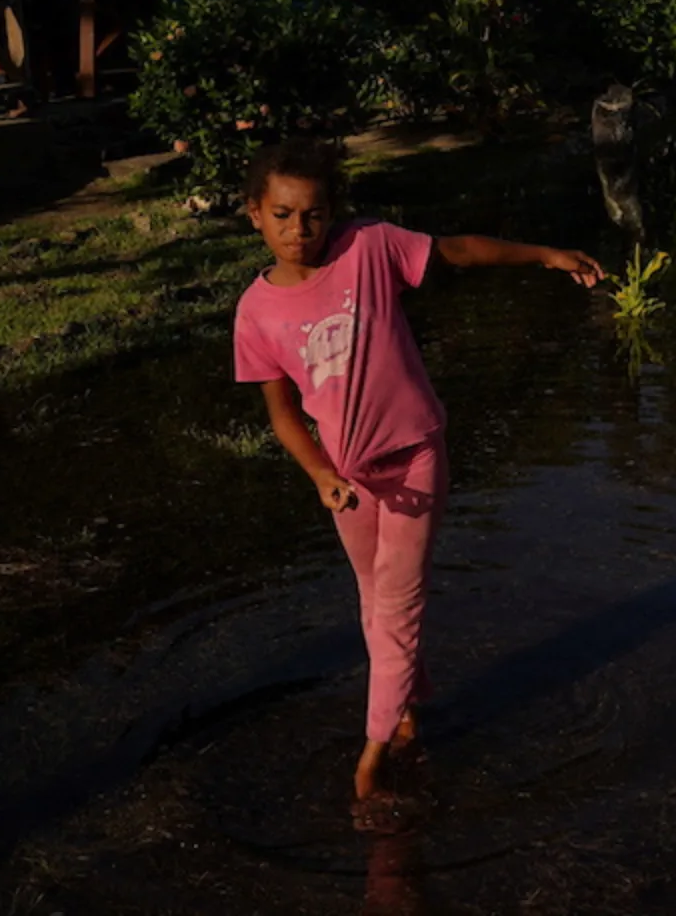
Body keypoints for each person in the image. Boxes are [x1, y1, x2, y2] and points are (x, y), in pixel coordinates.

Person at [232, 138, 602, 824]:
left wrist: (546, 254)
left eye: (313, 215)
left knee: (398, 607)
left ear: (333, 213)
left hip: (413, 457)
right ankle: (406, 713)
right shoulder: (256, 312)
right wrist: (319, 476)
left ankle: (372, 753)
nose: (299, 230)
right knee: (375, 605)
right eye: (282, 214)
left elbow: (458, 250)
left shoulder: (369, 246)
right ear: (254, 213)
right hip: (347, 479)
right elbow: (282, 412)